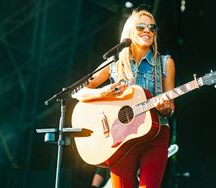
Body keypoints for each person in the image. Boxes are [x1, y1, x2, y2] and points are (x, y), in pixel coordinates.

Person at [73, 9, 175, 188]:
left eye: (152, 28)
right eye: (141, 26)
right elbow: (77, 92)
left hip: (155, 134)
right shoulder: (115, 63)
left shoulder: (165, 63)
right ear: (129, 31)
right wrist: (102, 93)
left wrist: (164, 107)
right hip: (121, 137)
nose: (148, 31)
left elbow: (170, 109)